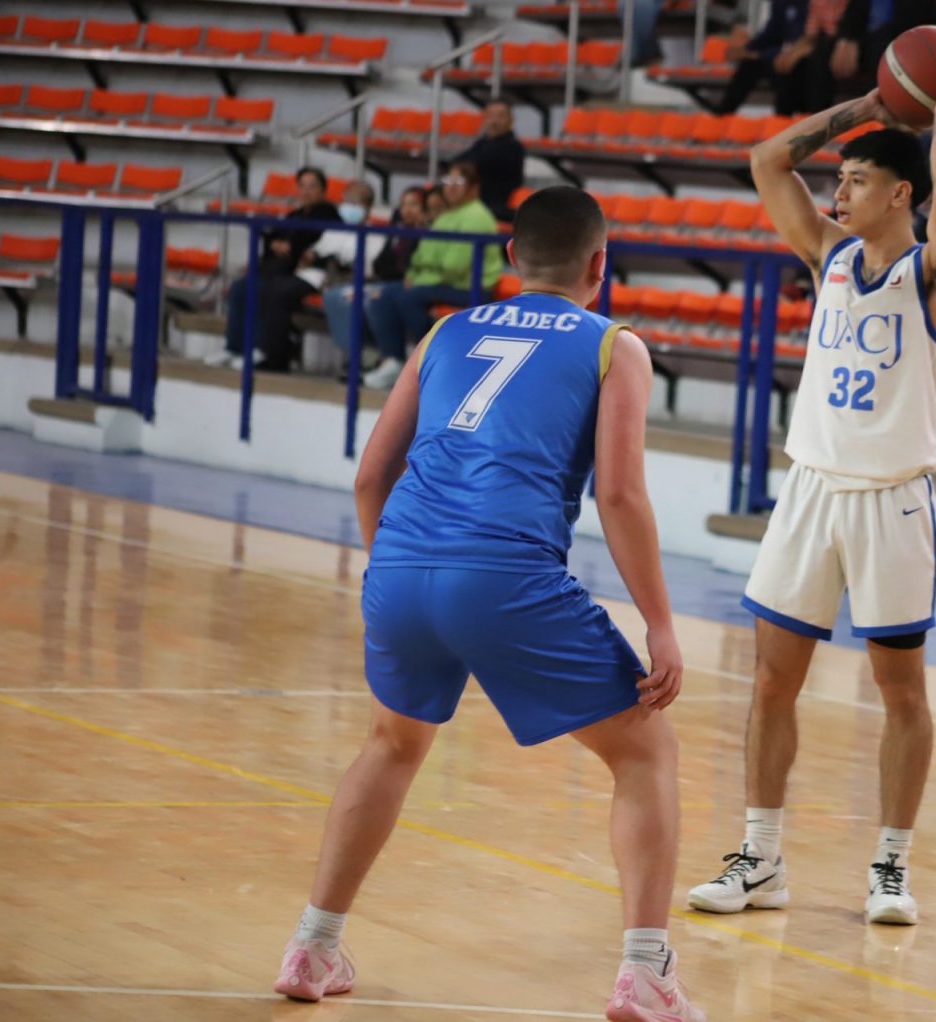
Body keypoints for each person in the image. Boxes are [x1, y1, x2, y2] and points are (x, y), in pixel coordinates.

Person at [271, 185, 706, 1022]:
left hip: (401, 562)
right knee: (645, 751)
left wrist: (396, 569)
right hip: (506, 573)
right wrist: (660, 623)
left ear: (511, 257)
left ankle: (312, 946)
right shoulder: (614, 345)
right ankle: (646, 973)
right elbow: (619, 495)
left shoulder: (444, 330)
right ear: (600, 264)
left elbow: (370, 475)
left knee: (391, 746)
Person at [686, 59, 936, 926]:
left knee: (902, 693)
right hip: (811, 491)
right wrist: (865, 107)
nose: (839, 192)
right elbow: (766, 160)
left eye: (857, 180)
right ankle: (761, 859)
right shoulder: (832, 255)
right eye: (840, 179)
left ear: (901, 194)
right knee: (771, 682)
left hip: (892, 501)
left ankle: (891, 867)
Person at [363, 162, 504, 390]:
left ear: (473, 187)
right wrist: (413, 275)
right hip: (439, 282)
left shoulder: (476, 217)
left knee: (407, 297)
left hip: (469, 287)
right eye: (448, 181)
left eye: (458, 182)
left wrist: (419, 279)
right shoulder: (447, 216)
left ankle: (427, 362)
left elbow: (454, 266)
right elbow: (421, 256)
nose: (451, 187)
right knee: (382, 296)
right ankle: (393, 360)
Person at [214, 166, 340, 371]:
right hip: (281, 271)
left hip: (310, 274)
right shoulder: (294, 215)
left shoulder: (330, 215)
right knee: (241, 286)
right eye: (302, 186)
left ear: (323, 190)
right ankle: (234, 347)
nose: (306, 191)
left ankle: (267, 352)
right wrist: (276, 244)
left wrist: (291, 248)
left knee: (271, 290)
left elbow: (314, 245)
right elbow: (272, 237)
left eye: (312, 186)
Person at [321, 186, 429, 359]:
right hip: (384, 282)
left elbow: (411, 267)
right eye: (403, 205)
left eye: (413, 204)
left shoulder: (427, 234)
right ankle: (352, 355)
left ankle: (383, 356)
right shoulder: (396, 232)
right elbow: (381, 263)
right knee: (333, 296)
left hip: (400, 285)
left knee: (367, 299)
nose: (407, 210)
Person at [716, 0, 815, 116]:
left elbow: (810, 40)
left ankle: (784, 117)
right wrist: (746, 50)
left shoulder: (813, 5)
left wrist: (764, 54)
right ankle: (722, 114)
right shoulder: (781, 4)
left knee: (787, 68)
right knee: (749, 64)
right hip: (780, 56)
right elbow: (770, 34)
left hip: (804, 60)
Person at [447, 101, 524, 221]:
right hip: (475, 204)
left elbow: (477, 163)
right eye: (490, 116)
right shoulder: (482, 143)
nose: (494, 121)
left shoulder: (513, 147)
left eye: (500, 116)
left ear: (511, 120)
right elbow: (457, 162)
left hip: (495, 206)